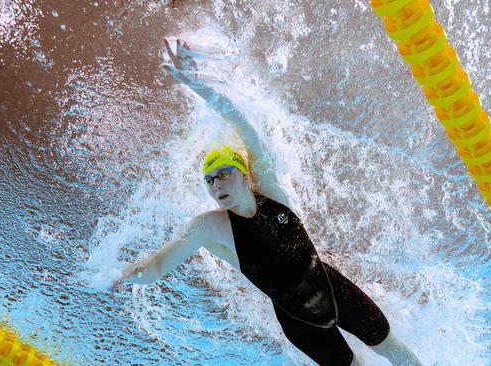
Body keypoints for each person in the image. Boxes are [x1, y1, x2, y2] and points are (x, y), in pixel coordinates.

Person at [114, 38, 422, 366]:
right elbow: (157, 266)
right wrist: (123, 275)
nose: (215, 185)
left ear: (245, 174)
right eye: (208, 180)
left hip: (334, 289)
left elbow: (241, 123)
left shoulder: (271, 190)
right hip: (300, 324)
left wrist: (197, 86)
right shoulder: (211, 227)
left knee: (394, 351)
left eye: (222, 174)